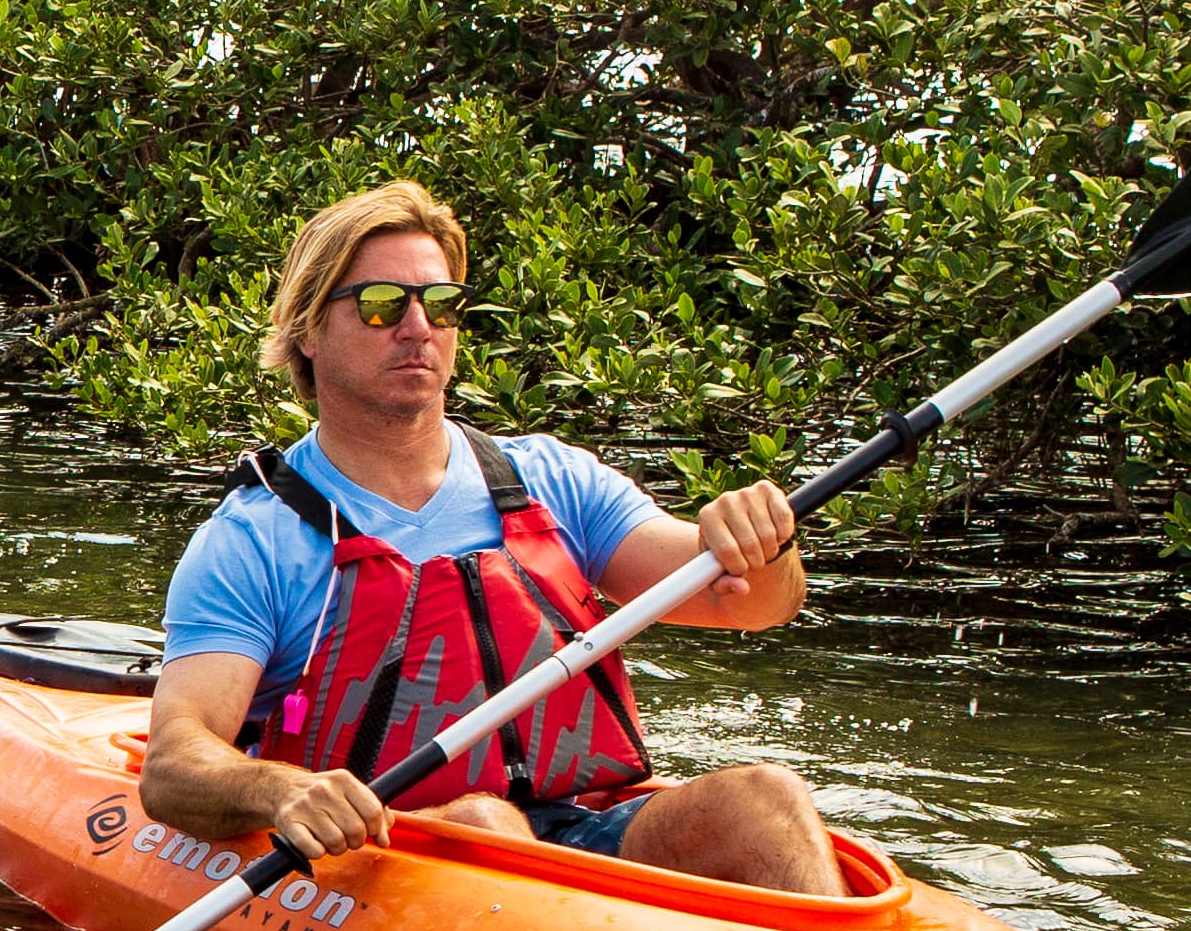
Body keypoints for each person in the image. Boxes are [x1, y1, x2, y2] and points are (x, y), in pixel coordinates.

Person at [141, 179, 838, 895]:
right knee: (485, 823)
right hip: (397, 848)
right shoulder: (256, 539)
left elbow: (753, 605)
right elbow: (174, 763)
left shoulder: (551, 479)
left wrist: (764, 542)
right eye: (382, 305)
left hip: (584, 827)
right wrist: (281, 792)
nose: (417, 327)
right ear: (309, 332)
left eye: (439, 304)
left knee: (767, 799)